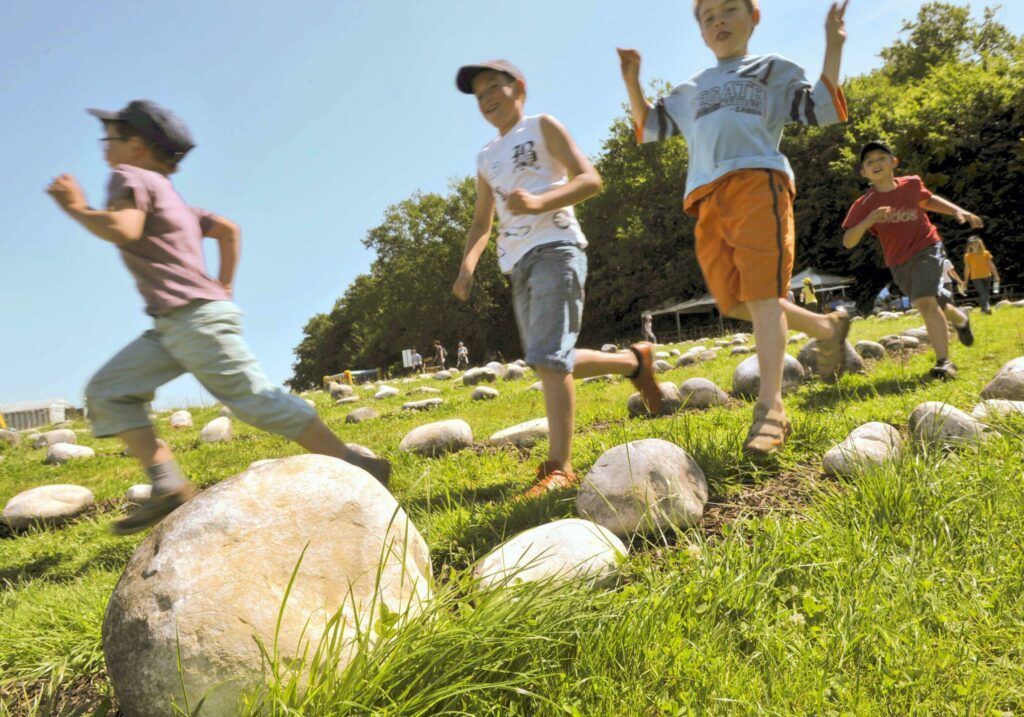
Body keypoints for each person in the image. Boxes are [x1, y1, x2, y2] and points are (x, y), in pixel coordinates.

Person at [45, 100, 391, 535]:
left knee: (257, 401)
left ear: (136, 146)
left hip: (194, 322)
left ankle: (355, 466)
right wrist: (224, 286)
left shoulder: (129, 177)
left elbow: (124, 229)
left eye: (111, 136)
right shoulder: (171, 196)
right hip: (174, 324)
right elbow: (228, 229)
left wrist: (75, 207)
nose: (104, 146)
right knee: (109, 390)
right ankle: (167, 484)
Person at [617, 0, 853, 461]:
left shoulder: (773, 69)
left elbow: (818, 109)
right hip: (705, 197)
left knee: (765, 297)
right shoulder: (691, 88)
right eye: (707, 18)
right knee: (734, 300)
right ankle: (827, 328)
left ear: (753, 19)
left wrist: (832, 45)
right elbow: (649, 126)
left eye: (728, 10)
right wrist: (632, 81)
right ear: (702, 35)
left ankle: (771, 408)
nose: (718, 21)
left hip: (758, 179)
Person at [452, 60, 663, 495]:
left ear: (519, 89)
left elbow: (590, 180)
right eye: (479, 95)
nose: (488, 98)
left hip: (557, 247)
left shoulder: (542, 126)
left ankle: (560, 468)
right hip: (517, 262)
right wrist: (467, 266)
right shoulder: (485, 158)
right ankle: (635, 362)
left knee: (549, 356)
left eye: (495, 86)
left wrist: (539, 202)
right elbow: (480, 223)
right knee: (549, 358)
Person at [842, 140, 979, 379]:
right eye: (869, 162)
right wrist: (869, 220)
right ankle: (960, 318)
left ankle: (944, 362)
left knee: (925, 301)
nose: (876, 164)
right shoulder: (864, 204)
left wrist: (959, 210)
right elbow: (848, 241)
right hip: (898, 261)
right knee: (932, 300)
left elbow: (928, 200)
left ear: (893, 162)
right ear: (863, 172)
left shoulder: (912, 184)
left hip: (927, 246)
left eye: (881, 158)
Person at [963, 236, 1001, 315]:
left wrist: (996, 276)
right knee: (983, 293)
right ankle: (987, 308)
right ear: (969, 245)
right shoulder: (968, 256)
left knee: (986, 294)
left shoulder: (985, 253)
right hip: (976, 277)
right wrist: (966, 280)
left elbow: (991, 265)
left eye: (975, 243)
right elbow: (967, 268)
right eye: (972, 244)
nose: (974, 245)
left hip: (987, 276)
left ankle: (983, 310)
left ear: (979, 243)